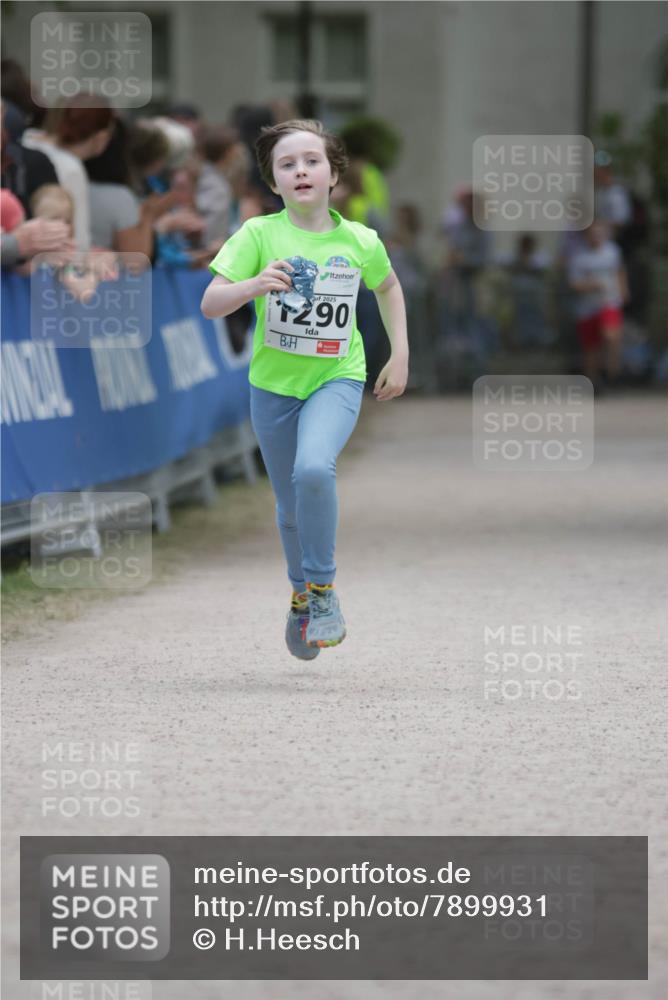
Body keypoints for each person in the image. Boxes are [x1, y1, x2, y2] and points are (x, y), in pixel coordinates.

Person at [201, 119, 408, 658]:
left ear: (334, 173)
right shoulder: (258, 235)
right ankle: (300, 596)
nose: (301, 171)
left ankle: (322, 591)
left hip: (337, 375)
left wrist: (399, 354)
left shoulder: (360, 240)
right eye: (286, 164)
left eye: (311, 161)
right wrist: (255, 283)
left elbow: (388, 287)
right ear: (273, 182)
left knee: (315, 467)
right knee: (290, 503)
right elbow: (211, 302)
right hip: (273, 387)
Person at [568, 219, 629, 387]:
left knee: (611, 336)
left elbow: (619, 271)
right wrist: (590, 285)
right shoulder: (579, 257)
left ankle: (612, 372)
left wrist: (623, 290)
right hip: (587, 308)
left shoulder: (612, 251)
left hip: (609, 302)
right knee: (590, 350)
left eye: (600, 234)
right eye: (593, 234)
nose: (597, 237)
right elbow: (574, 284)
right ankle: (594, 382)